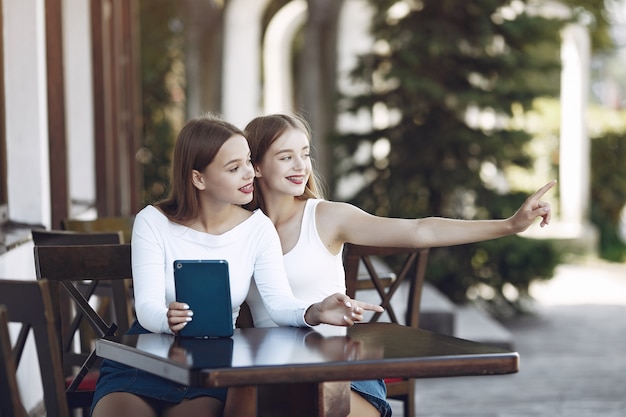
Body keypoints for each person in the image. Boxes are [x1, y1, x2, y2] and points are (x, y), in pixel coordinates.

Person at [242, 113, 556, 417]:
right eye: (286, 157)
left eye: (305, 154)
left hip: (338, 371)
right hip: (266, 371)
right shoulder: (238, 229)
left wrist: (509, 225)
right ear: (255, 167)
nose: (300, 166)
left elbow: (421, 230)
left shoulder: (325, 217)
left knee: (320, 400)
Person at [90, 114, 383, 417]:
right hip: (148, 358)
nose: (249, 174)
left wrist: (316, 310)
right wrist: (167, 318)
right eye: (234, 168)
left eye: (247, 162)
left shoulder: (258, 228)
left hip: (211, 364)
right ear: (198, 178)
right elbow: (146, 307)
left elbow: (279, 304)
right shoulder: (153, 221)